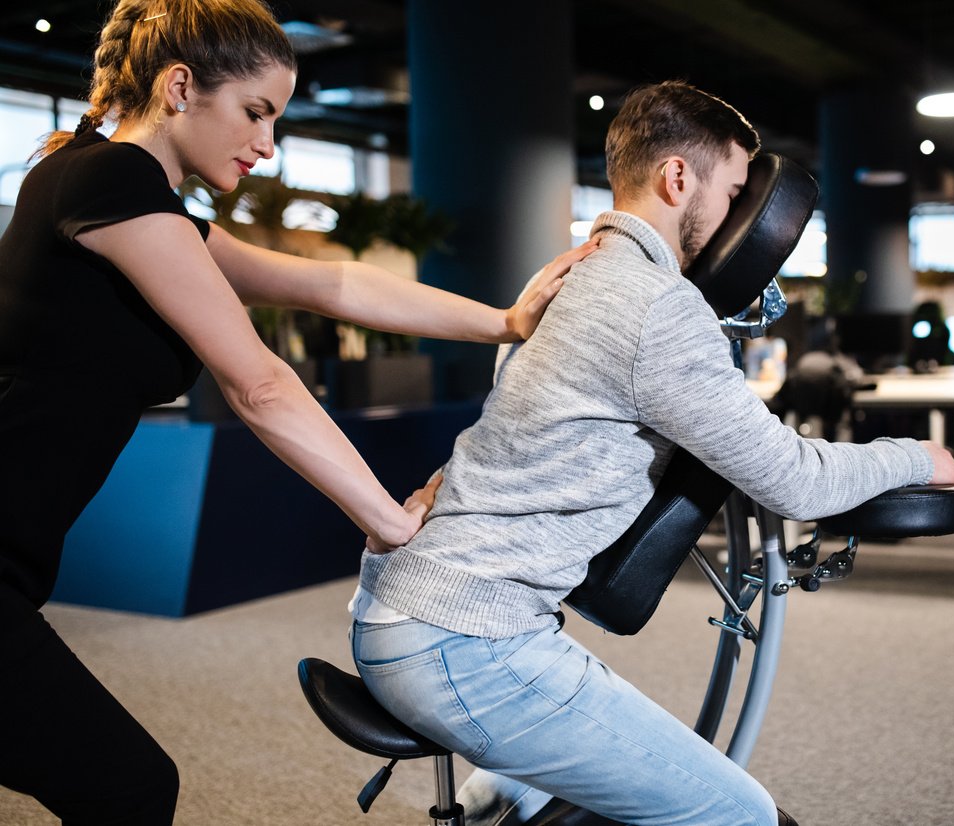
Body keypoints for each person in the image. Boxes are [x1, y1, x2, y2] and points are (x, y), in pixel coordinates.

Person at [0, 1, 592, 822]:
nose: (267, 144)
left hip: (14, 561)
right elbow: (260, 385)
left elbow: (329, 284)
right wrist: (388, 521)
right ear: (180, 88)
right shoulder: (109, 181)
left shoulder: (133, 200)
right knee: (129, 788)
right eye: (254, 112)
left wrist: (503, 321)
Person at [349, 80, 954, 826]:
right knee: (740, 815)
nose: (744, 216)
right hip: (465, 646)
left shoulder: (565, 277)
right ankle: (512, 786)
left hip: (400, 611)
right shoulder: (654, 304)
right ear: (678, 178)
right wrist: (914, 454)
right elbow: (792, 481)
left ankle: (507, 791)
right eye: (734, 191)